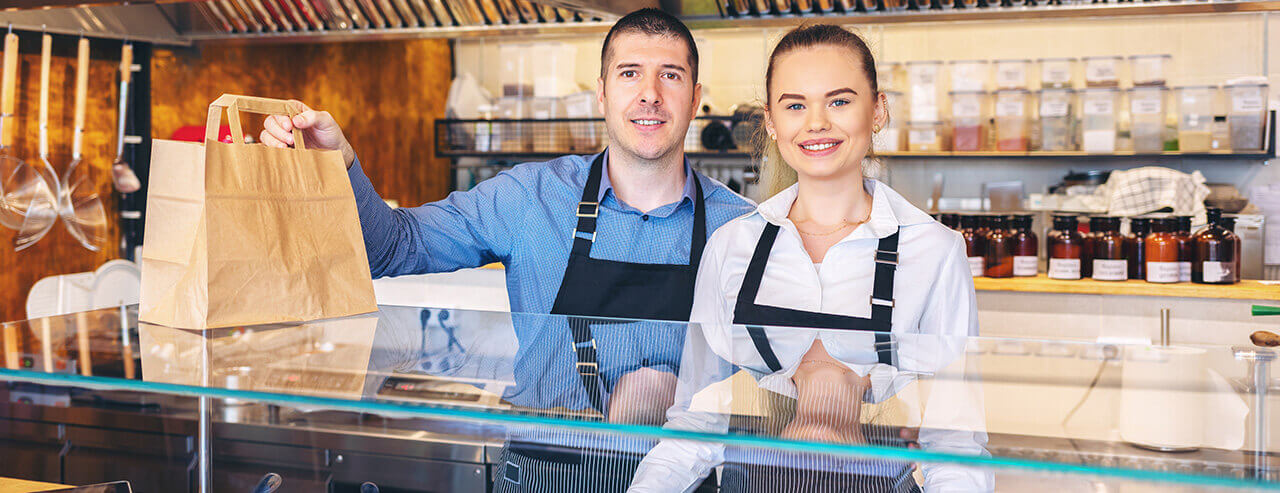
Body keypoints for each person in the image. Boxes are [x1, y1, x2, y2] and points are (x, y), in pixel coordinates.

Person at [259, 8, 753, 492]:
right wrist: (336, 165)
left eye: (671, 75)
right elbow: (393, 247)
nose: (650, 94)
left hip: (688, 479)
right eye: (630, 74)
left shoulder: (740, 228)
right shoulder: (529, 197)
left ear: (695, 98)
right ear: (602, 94)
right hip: (544, 473)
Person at [628, 24, 989, 492]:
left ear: (878, 110)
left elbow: (955, 443)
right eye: (795, 105)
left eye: (839, 101)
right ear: (771, 122)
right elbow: (696, 424)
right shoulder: (732, 247)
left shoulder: (934, 251)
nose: (816, 123)